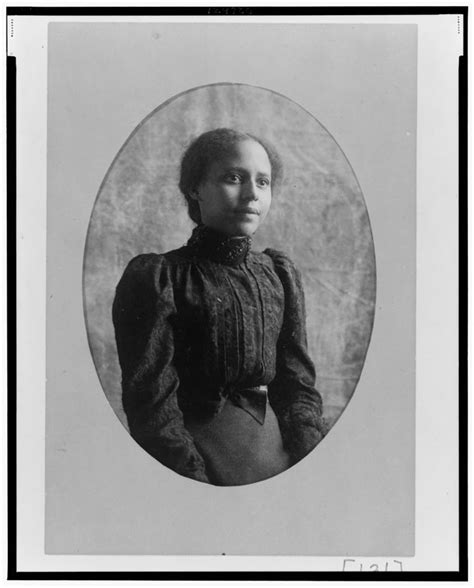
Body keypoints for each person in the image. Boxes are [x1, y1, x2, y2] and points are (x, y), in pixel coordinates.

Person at [112, 128, 328, 486]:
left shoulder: (279, 274)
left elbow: (297, 385)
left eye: (263, 182)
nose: (251, 195)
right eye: (233, 178)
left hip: (277, 453)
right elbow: (150, 405)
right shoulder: (159, 277)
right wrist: (192, 479)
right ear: (195, 187)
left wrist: (307, 460)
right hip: (195, 459)